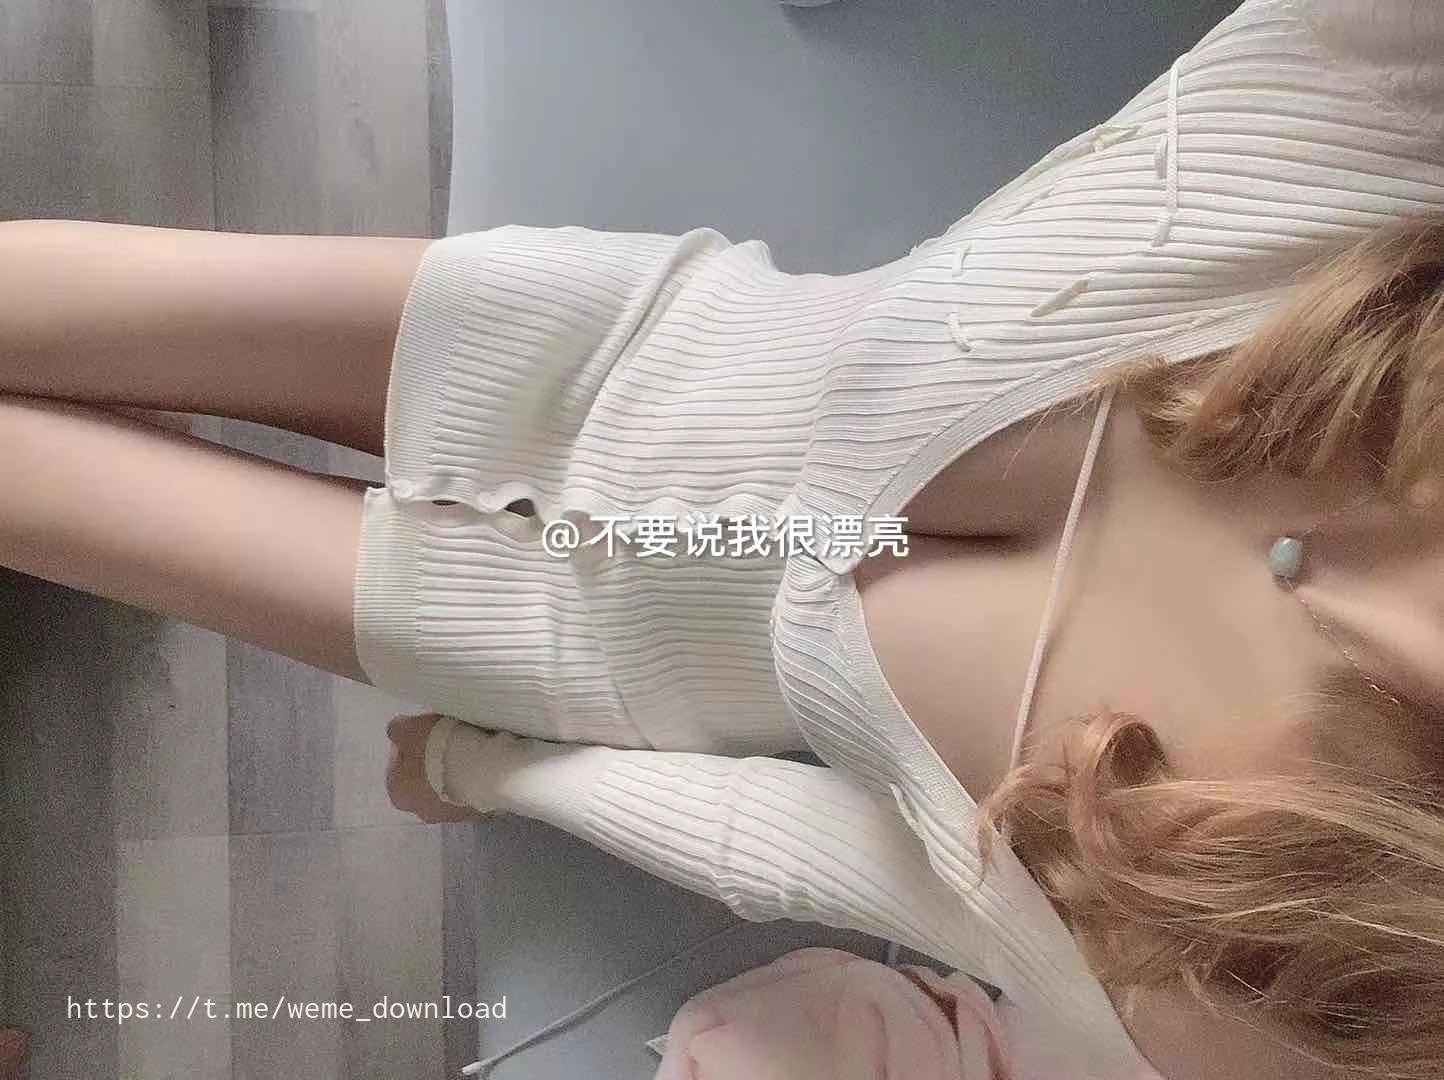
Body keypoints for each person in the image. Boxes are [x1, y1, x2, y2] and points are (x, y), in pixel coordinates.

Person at [0, 0, 1440, 1076]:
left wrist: (498, 765)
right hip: (598, 344)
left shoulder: (1347, 966)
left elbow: (820, 859)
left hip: (565, 648)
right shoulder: (1379, 173)